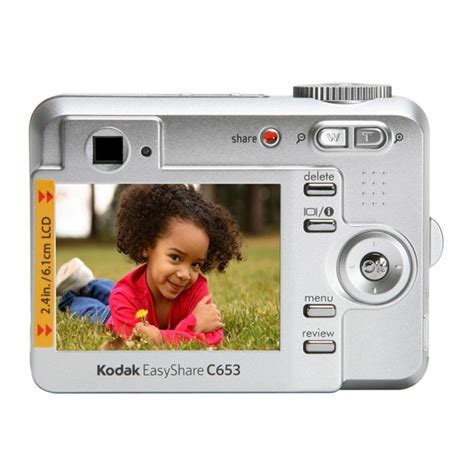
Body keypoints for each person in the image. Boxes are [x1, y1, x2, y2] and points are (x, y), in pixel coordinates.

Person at [56, 184, 243, 348]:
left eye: (195, 264)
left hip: (132, 297)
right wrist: (191, 326)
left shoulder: (196, 288)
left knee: (116, 292)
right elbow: (137, 340)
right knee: (100, 309)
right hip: (118, 312)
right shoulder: (124, 296)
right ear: (147, 247)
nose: (185, 274)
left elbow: (213, 337)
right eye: (175, 257)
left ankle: (90, 283)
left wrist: (160, 336)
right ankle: (74, 295)